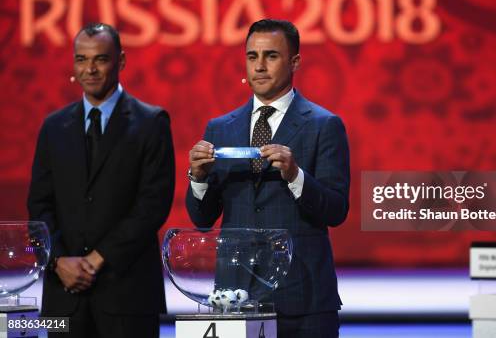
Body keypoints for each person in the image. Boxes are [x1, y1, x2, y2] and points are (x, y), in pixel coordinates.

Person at [186, 19, 350, 338]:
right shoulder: (220, 128)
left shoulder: (324, 125)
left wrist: (295, 175)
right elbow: (202, 219)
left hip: (303, 298)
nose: (259, 66)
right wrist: (198, 177)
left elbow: (336, 210)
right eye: (252, 57)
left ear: (295, 62)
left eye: (271, 56)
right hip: (236, 297)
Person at [27, 23, 175, 338]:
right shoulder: (53, 127)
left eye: (100, 59)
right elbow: (39, 204)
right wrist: (58, 262)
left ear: (120, 61)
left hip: (128, 297)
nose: (89, 69)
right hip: (63, 299)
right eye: (81, 59)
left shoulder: (151, 123)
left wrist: (96, 259)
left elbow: (153, 205)